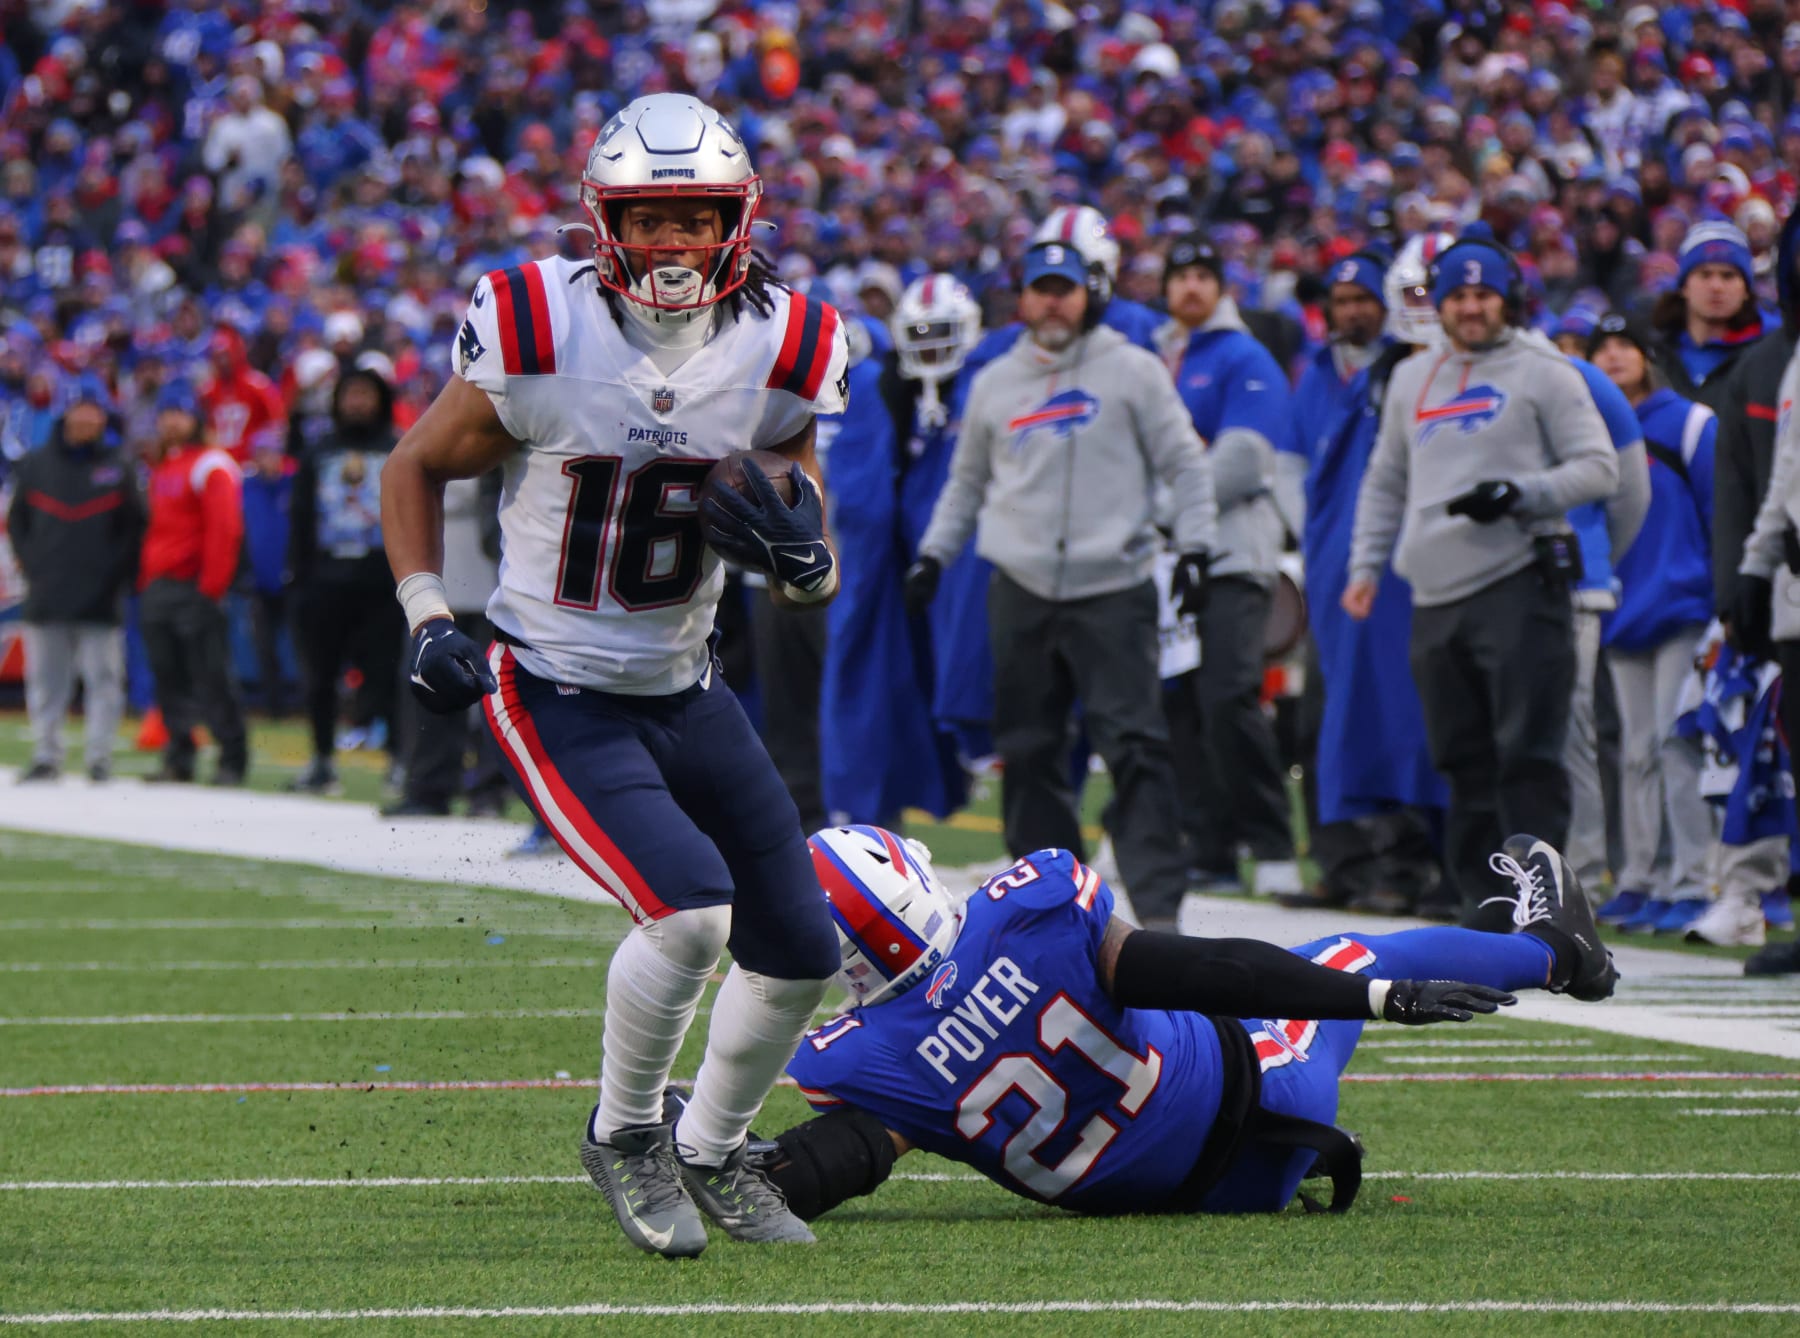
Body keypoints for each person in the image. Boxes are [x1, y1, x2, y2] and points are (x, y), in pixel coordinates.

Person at [379, 94, 847, 1257]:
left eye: (698, 219)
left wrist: (805, 554)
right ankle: (626, 1130)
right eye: (651, 216)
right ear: (605, 220)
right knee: (690, 916)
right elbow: (416, 463)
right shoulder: (542, 324)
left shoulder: (788, 342)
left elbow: (795, 492)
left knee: (800, 945)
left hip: (690, 683)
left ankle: (713, 1145)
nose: (676, 244)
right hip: (557, 684)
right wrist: (428, 611)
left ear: (738, 221)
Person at [741, 823, 1613, 1223]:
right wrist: (1374, 1002)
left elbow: (847, 1159)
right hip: (1268, 1101)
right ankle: (1560, 950)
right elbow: (1207, 971)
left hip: (1165, 1191)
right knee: (1349, 954)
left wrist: (721, 1154)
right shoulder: (1031, 914)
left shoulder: (864, 1059)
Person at [906, 239, 1217, 930]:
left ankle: (1159, 909)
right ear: (1023, 297)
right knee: (1027, 748)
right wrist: (933, 555)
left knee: (1134, 744)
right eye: (1041, 288)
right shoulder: (994, 382)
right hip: (1020, 585)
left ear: (1090, 295)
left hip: (1115, 584)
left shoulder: (1133, 371)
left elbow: (1187, 465)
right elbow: (966, 486)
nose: (1053, 300)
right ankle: (1054, 907)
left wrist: (1196, 546)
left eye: (1065, 288)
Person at [1346, 226, 1619, 926]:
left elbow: (1600, 467)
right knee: (1460, 760)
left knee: (1527, 755)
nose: (1471, 308)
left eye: (1484, 294)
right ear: (1437, 303)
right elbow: (1385, 481)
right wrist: (1365, 566)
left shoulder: (1546, 371)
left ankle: (1546, 911)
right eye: (1458, 295)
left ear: (1510, 299)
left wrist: (1521, 493)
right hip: (1434, 593)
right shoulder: (1412, 377)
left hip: (1519, 583)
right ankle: (1483, 904)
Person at [1285, 240, 1449, 916]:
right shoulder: (1320, 373)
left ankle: (1409, 865)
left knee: (1396, 719)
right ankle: (1343, 862)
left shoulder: (1397, 372)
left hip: (1392, 573)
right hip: (1333, 569)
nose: (1350, 312)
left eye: (1362, 300)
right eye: (1340, 301)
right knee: (1323, 719)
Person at [1159, 239, 1303, 898]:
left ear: (1221, 288)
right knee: (1181, 707)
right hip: (1167, 559)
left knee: (1229, 697)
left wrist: (1162, 500)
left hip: (1232, 553)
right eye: (1179, 276)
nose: (1190, 287)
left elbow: (1244, 461)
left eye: (1201, 276)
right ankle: (1208, 846)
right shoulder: (1161, 356)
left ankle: (1273, 842)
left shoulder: (1245, 356)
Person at [1585, 314, 1724, 937]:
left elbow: (1723, 513)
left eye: (1626, 345)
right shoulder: (1591, 432)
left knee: (1676, 744)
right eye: (1602, 348)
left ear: (1650, 354)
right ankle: (1642, 878)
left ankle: (1693, 881)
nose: (1614, 357)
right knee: (1636, 754)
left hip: (1684, 606)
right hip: (1622, 609)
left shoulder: (1691, 422)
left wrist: (1725, 605)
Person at [6, 377, 143, 782]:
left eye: (94, 409)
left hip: (101, 592)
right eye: (80, 408)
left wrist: (114, 574)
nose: (87, 417)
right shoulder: (37, 463)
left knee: (103, 679)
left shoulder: (118, 465)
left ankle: (99, 758)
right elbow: (17, 522)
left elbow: (135, 527)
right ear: (65, 412)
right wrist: (34, 565)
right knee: (46, 680)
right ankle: (47, 754)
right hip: (47, 589)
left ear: (104, 416)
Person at [286, 367, 407, 796]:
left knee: (387, 674)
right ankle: (321, 761)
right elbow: (300, 518)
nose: (357, 403)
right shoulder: (318, 453)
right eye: (350, 394)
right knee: (319, 676)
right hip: (325, 580)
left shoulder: (399, 448)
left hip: (381, 583)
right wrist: (298, 578)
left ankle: (398, 760)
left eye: (365, 394)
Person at [137, 379, 250, 786]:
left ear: (194, 418)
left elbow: (225, 530)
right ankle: (179, 755)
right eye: (165, 413)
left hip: (194, 586)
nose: (170, 421)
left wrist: (212, 587)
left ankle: (232, 758)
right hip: (161, 586)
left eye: (178, 413)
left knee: (211, 675)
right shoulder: (165, 465)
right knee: (168, 675)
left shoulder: (211, 464)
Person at [384, 471, 509, 816]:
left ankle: (490, 788)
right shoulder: (427, 431)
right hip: (438, 573)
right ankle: (428, 786)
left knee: (495, 688)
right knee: (428, 683)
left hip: (496, 572)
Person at [1649, 222, 1770, 414]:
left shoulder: (1769, 354)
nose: (1716, 286)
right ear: (1684, 286)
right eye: (1704, 275)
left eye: (1728, 276)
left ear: (1746, 289)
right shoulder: (1653, 353)